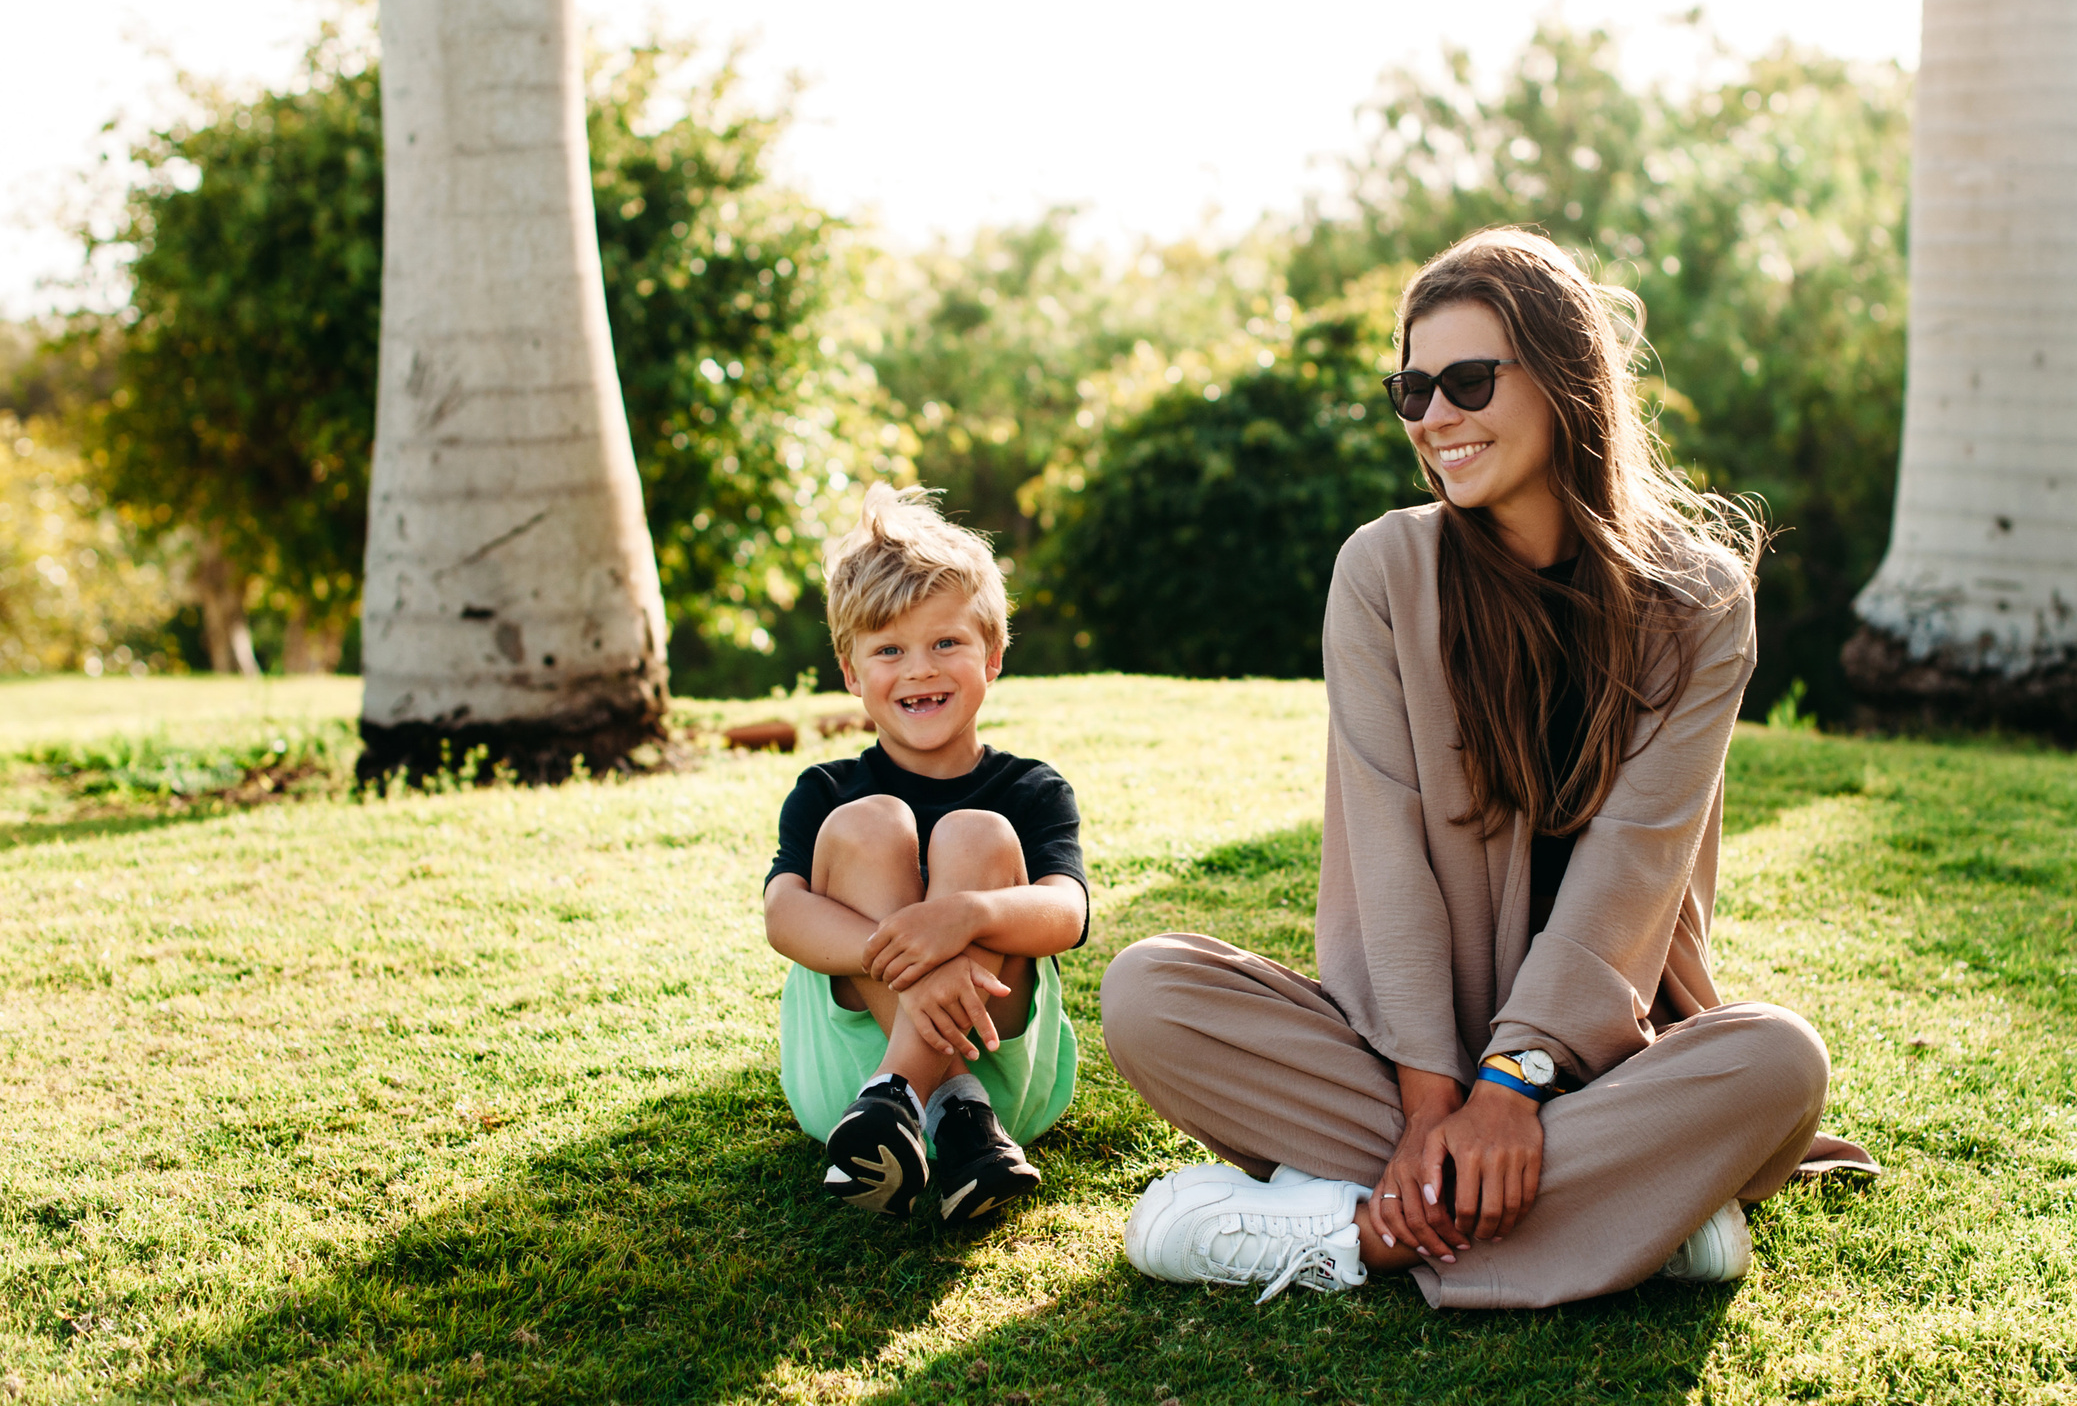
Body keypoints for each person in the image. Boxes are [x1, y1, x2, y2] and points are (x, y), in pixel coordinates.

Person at [1104, 228, 1876, 1309]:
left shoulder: (1698, 601)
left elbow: (1632, 868)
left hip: (1600, 1062)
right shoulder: (1383, 570)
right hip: (1401, 1064)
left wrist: (1514, 1082)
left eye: (1465, 380)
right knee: (1150, 992)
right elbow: (1387, 852)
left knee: (1779, 1062)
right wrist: (1435, 1105)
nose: (1433, 417)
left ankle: (1343, 1231)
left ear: (1564, 377)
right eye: (1410, 390)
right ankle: (1639, 1214)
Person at [762, 486, 1090, 1220]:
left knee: (977, 834)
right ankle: (933, 1105)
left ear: (993, 655)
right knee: (869, 822)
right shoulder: (826, 791)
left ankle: (917, 1093)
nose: (920, 669)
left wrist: (964, 916)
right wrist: (905, 962)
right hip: (848, 1084)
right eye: (889, 650)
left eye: (946, 642)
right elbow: (783, 914)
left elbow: (1067, 912)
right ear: (851, 674)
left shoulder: (1031, 789)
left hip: (1001, 1073)